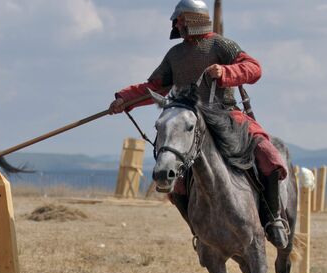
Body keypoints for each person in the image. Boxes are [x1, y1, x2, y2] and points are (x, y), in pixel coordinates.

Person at [108, 0, 289, 249]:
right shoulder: (175, 55)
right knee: (176, 184)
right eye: (177, 20)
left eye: (180, 19)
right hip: (189, 122)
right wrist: (123, 99)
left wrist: (225, 72)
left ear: (194, 19)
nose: (176, 24)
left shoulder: (220, 45)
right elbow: (154, 87)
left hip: (226, 116)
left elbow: (254, 68)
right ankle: (201, 233)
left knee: (269, 155)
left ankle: (273, 218)